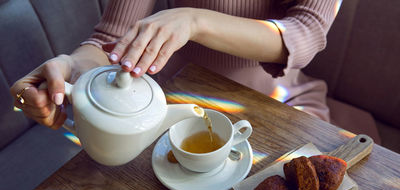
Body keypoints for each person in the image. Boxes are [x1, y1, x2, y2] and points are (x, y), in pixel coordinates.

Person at [10, 0, 340, 129]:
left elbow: (305, 32)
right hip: (170, 107)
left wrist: (195, 21)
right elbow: (111, 37)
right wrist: (70, 65)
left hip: (274, 105)